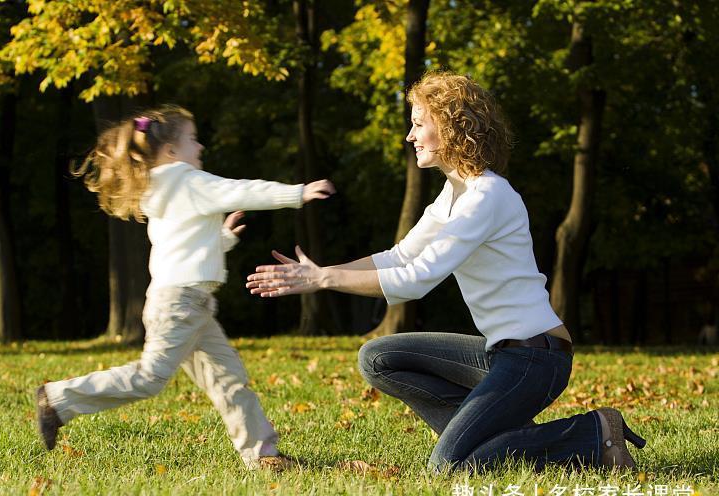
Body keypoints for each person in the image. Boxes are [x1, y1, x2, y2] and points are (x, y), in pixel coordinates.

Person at [245, 72, 645, 472]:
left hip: (536, 359)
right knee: (379, 357)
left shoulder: (488, 196)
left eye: (419, 123)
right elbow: (398, 257)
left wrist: (324, 280)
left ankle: (594, 432)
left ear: (452, 126)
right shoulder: (454, 195)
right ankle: (492, 440)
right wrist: (320, 272)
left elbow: (415, 280)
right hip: (501, 354)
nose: (410, 135)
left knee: (448, 468)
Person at [35, 105, 335, 471]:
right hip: (181, 303)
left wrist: (221, 238)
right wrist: (297, 193)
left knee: (229, 381)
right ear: (171, 151)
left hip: (187, 302)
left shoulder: (162, 188)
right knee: (149, 378)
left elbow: (182, 246)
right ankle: (58, 399)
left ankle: (262, 457)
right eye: (192, 139)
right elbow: (241, 191)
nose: (201, 146)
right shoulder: (188, 180)